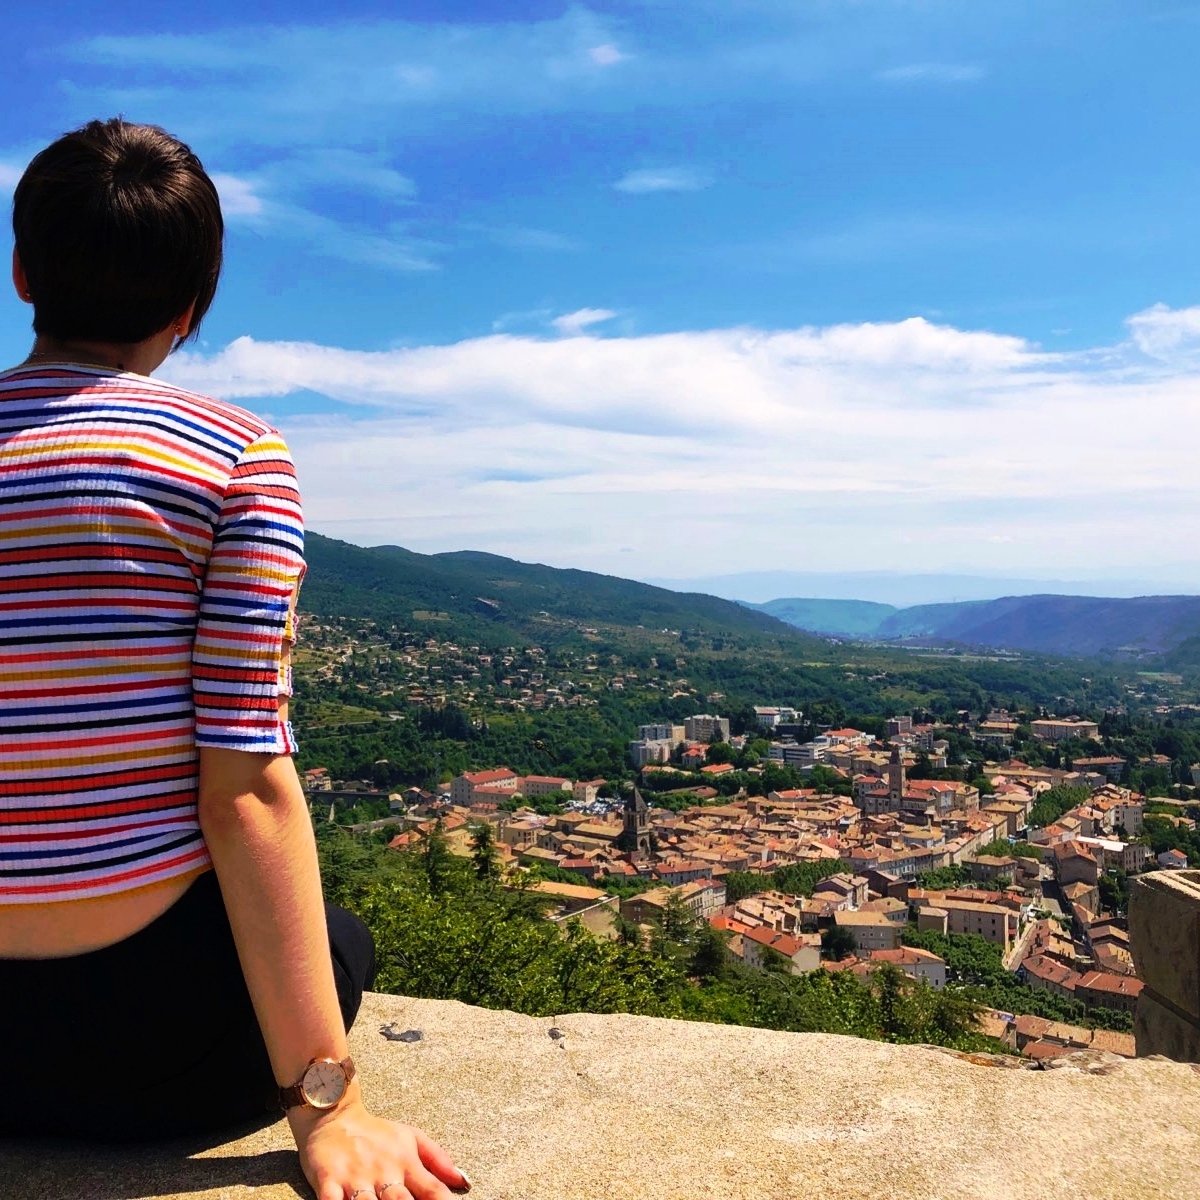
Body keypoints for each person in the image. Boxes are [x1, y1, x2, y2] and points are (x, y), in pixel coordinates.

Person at [0, 118, 470, 1200]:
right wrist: (332, 1107)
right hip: (144, 1064)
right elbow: (245, 793)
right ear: (196, 301)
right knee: (342, 940)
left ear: (22, 270)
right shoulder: (233, 458)